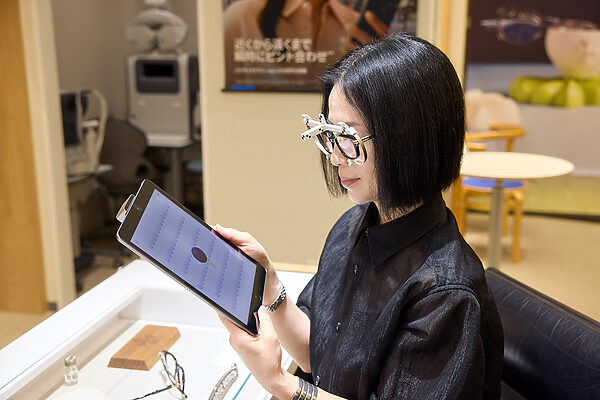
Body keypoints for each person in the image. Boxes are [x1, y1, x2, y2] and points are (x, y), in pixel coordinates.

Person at [216, 33, 504, 400]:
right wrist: (269, 280)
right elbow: (317, 356)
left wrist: (280, 383)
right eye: (329, 134)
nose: (336, 156)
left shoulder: (444, 294)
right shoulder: (353, 226)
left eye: (348, 137)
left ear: (407, 140)